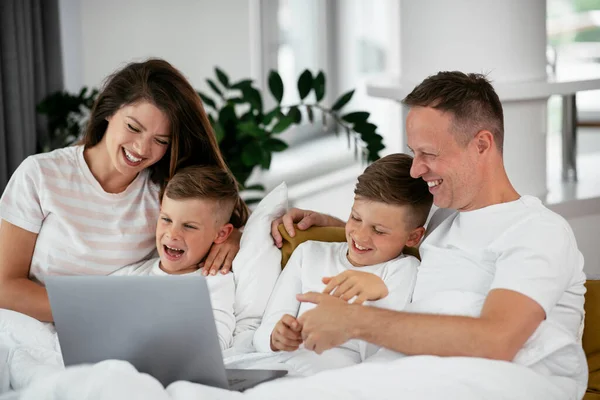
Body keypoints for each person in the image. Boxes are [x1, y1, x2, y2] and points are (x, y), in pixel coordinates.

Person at [270, 72, 587, 397]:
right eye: (414, 152)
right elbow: (386, 235)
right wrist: (328, 223)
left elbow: (496, 341)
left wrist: (353, 320)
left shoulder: (538, 230)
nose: (415, 169)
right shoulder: (441, 219)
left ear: (481, 144)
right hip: (408, 374)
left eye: (429, 154)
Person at [0, 58, 248, 323]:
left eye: (160, 140)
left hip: (127, 333)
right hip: (36, 328)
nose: (141, 149)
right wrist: (98, 312)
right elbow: (5, 285)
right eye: (133, 127)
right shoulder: (40, 174)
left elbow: (226, 221)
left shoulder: (165, 191)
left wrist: (234, 239)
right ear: (108, 110)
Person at [253, 154, 432, 375]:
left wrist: (379, 293)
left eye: (379, 230)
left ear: (413, 238)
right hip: (279, 366)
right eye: (356, 218)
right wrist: (276, 337)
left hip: (335, 377)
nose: (360, 236)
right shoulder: (309, 253)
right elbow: (263, 333)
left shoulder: (404, 270)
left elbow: (384, 355)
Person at [112, 165, 246, 350]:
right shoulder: (130, 274)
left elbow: (217, 338)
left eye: (189, 226)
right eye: (166, 220)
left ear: (221, 234)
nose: (172, 234)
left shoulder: (214, 282)